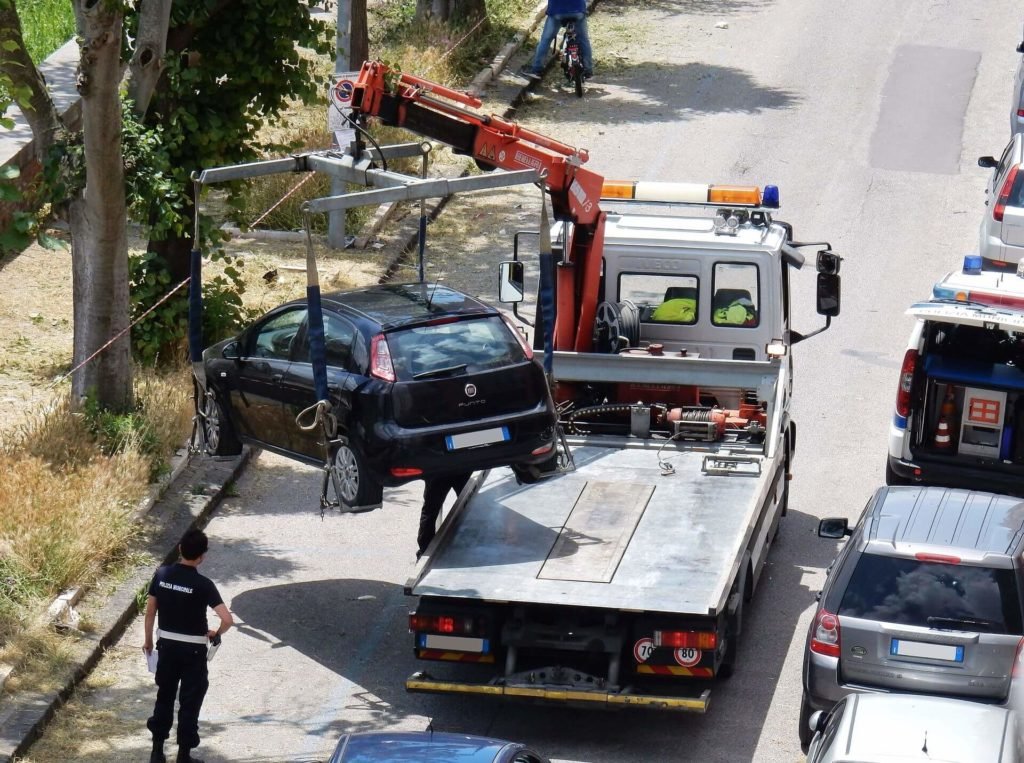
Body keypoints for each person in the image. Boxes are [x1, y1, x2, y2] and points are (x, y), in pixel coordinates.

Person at [144, 529, 234, 763]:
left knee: (164, 695)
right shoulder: (204, 585)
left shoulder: (161, 574)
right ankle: (184, 754)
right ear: (201, 556)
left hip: (167, 647)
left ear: (181, 549)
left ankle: (157, 752)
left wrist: (148, 640)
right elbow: (227, 619)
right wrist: (216, 632)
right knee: (190, 701)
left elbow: (151, 610)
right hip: (194, 651)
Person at [520, 0, 593, 80]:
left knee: (546, 40)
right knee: (584, 39)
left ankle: (537, 70)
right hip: (578, 10)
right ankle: (588, 71)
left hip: (557, 11)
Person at [417, 472, 472, 559]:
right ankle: (471, 543)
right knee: (469, 505)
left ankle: (424, 550)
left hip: (440, 468)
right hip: (461, 466)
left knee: (429, 511)